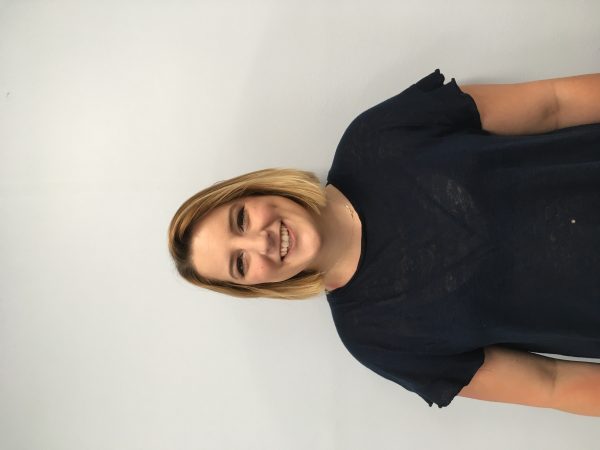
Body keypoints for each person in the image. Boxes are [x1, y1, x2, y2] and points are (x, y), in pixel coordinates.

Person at [168, 69, 600, 416]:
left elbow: (553, 104)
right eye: (240, 263)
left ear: (256, 190)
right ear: (257, 286)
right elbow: (551, 384)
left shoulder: (377, 135)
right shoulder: (376, 338)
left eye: (241, 219)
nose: (260, 242)